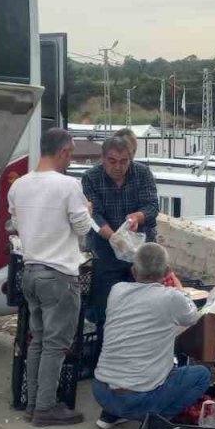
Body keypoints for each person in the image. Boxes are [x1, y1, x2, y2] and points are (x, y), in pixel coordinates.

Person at [8, 128, 95, 427]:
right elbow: (83, 229)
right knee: (56, 345)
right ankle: (45, 408)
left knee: (38, 341)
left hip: (30, 272)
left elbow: (15, 223)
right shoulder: (69, 186)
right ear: (64, 152)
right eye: (70, 153)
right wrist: (87, 210)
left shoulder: (18, 186)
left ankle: (33, 404)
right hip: (58, 275)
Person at [92, 243, 210, 429]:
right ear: (168, 271)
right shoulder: (171, 297)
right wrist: (179, 288)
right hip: (137, 398)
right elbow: (192, 317)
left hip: (101, 391)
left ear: (133, 270)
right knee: (202, 375)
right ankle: (153, 424)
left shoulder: (117, 290)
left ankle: (110, 415)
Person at [80, 136, 158, 328]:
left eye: (124, 162)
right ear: (103, 158)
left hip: (139, 248)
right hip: (105, 249)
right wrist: (113, 237)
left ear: (130, 158)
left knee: (141, 301)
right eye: (112, 161)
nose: (118, 167)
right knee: (105, 303)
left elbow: (152, 206)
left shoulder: (142, 173)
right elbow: (94, 216)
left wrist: (136, 218)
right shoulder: (91, 177)